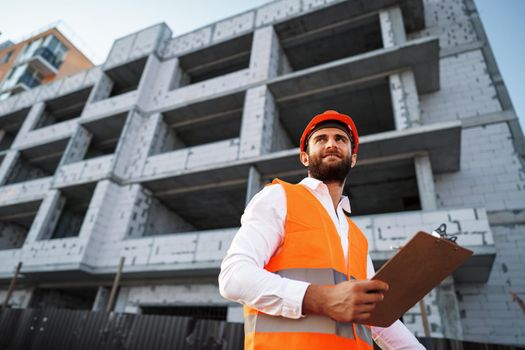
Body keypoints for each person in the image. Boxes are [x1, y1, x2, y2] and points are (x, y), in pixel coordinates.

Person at [219, 110, 425, 349]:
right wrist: (321, 299)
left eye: (340, 139)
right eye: (321, 139)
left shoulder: (356, 236)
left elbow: (376, 316)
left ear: (353, 158)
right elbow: (233, 276)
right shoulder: (279, 197)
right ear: (305, 157)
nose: (331, 144)